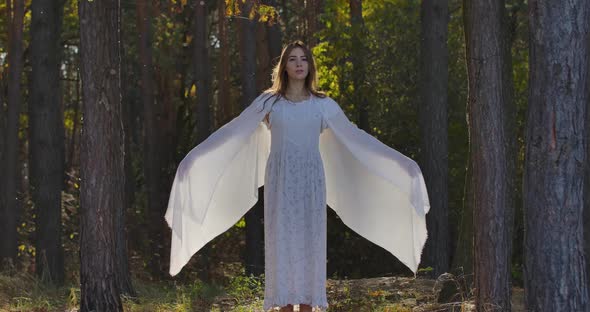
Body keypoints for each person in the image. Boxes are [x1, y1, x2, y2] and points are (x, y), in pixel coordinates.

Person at [164, 41, 430, 312]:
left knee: (308, 247)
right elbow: (234, 131)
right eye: (293, 59)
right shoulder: (269, 102)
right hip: (280, 183)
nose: (299, 63)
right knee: (283, 246)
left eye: (304, 58)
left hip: (310, 183)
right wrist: (194, 158)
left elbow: (357, 138)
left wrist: (402, 163)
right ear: (284, 66)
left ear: (310, 65)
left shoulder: (323, 105)